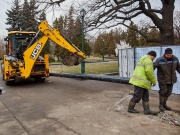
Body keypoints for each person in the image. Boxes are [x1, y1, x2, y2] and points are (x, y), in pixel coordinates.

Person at [128, 51, 157, 115]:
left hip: (141, 82)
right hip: (141, 82)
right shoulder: (148, 61)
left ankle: (147, 110)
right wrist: (154, 81)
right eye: (154, 57)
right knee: (137, 96)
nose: (154, 59)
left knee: (145, 96)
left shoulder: (142, 59)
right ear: (152, 56)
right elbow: (149, 72)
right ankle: (130, 108)